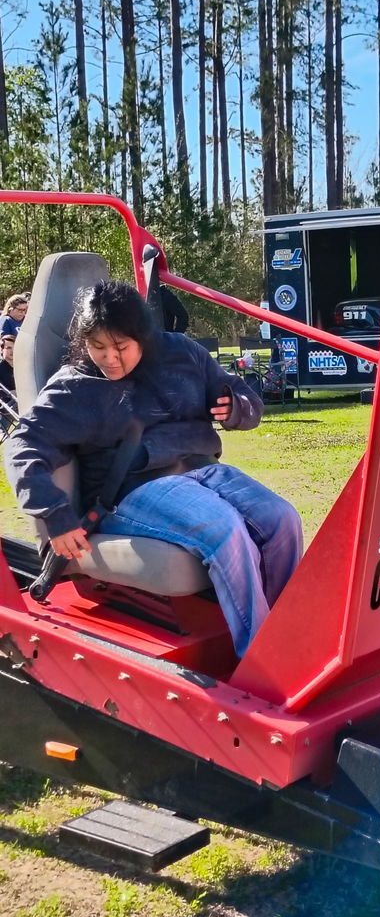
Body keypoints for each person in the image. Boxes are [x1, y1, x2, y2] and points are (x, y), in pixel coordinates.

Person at [6, 280, 303, 658]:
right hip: (133, 491)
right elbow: (23, 444)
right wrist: (54, 514)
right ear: (84, 343)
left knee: (283, 519)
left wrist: (236, 406)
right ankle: (265, 657)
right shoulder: (73, 387)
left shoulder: (181, 354)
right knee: (225, 530)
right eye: (98, 347)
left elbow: (241, 393)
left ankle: (290, 633)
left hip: (201, 469)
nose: (110, 358)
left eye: (121, 347)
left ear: (142, 337)